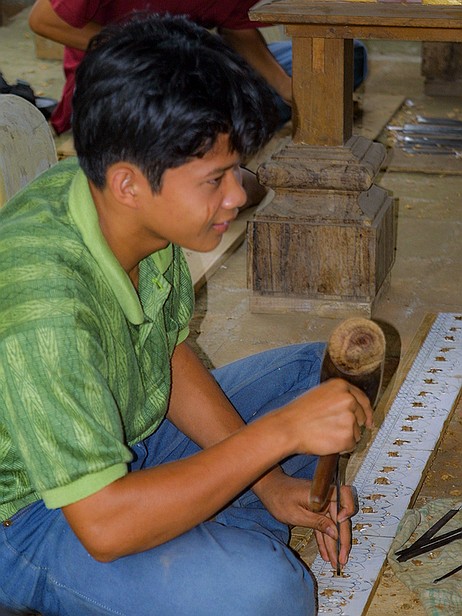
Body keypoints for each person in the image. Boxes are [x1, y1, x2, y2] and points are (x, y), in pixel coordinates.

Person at [0, 14, 373, 615]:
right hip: (35, 516)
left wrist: (269, 481)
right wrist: (274, 437)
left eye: (235, 168)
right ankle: (193, 546)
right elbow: (104, 526)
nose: (238, 195)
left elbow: (164, 355)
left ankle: (197, 530)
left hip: (130, 431)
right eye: (215, 179)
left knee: (321, 378)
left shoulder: (125, 201)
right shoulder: (43, 303)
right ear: (128, 184)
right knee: (270, 594)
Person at [28, 0, 368, 136]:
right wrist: (150, 48)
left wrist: (288, 89)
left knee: (349, 56)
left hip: (191, 69)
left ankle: (241, 113)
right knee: (201, 101)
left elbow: (237, 32)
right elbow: (43, 19)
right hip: (121, 80)